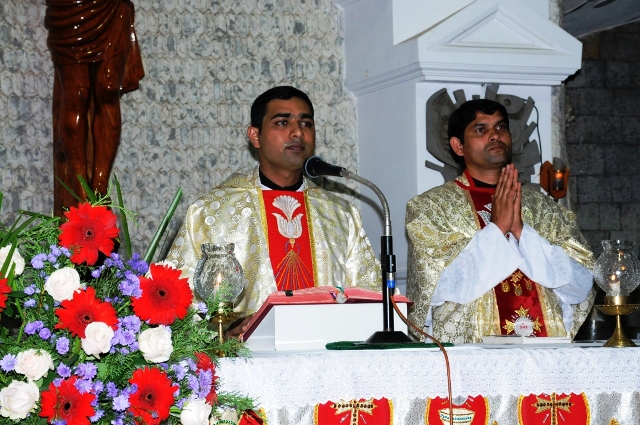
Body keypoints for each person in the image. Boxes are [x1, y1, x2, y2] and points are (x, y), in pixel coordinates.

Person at [167, 86, 380, 336]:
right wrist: (223, 332)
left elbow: (369, 294)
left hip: (328, 349)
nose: (298, 132)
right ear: (255, 136)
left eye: (306, 123)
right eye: (282, 122)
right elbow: (175, 303)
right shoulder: (209, 213)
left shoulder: (340, 215)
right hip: (246, 355)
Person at [406, 99, 595, 344]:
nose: (495, 135)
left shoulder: (543, 207)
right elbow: (436, 286)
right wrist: (496, 230)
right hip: (473, 347)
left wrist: (521, 232)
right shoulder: (431, 208)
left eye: (501, 127)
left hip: (543, 347)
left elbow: (581, 282)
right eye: (481, 129)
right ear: (458, 146)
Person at [45, 0, 145, 216]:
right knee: (77, 93)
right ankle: (80, 186)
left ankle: (100, 185)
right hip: (70, 7)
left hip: (111, 6)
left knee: (108, 87)